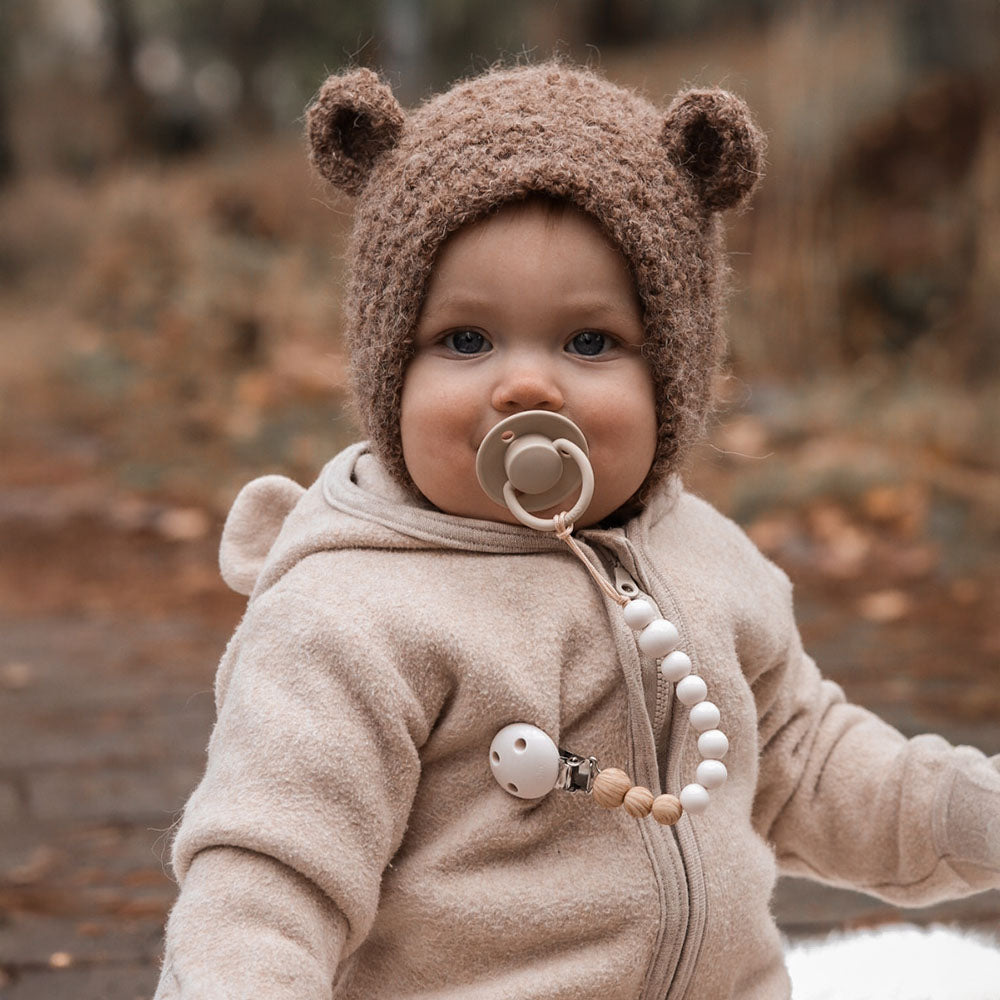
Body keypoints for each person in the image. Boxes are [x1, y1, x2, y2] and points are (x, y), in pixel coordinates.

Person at [153, 62, 1000, 1000]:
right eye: (466, 340)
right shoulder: (347, 616)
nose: (527, 386)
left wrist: (971, 812)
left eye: (589, 342)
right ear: (390, 375)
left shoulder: (709, 559)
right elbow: (268, 875)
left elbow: (812, 762)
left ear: (669, 379)